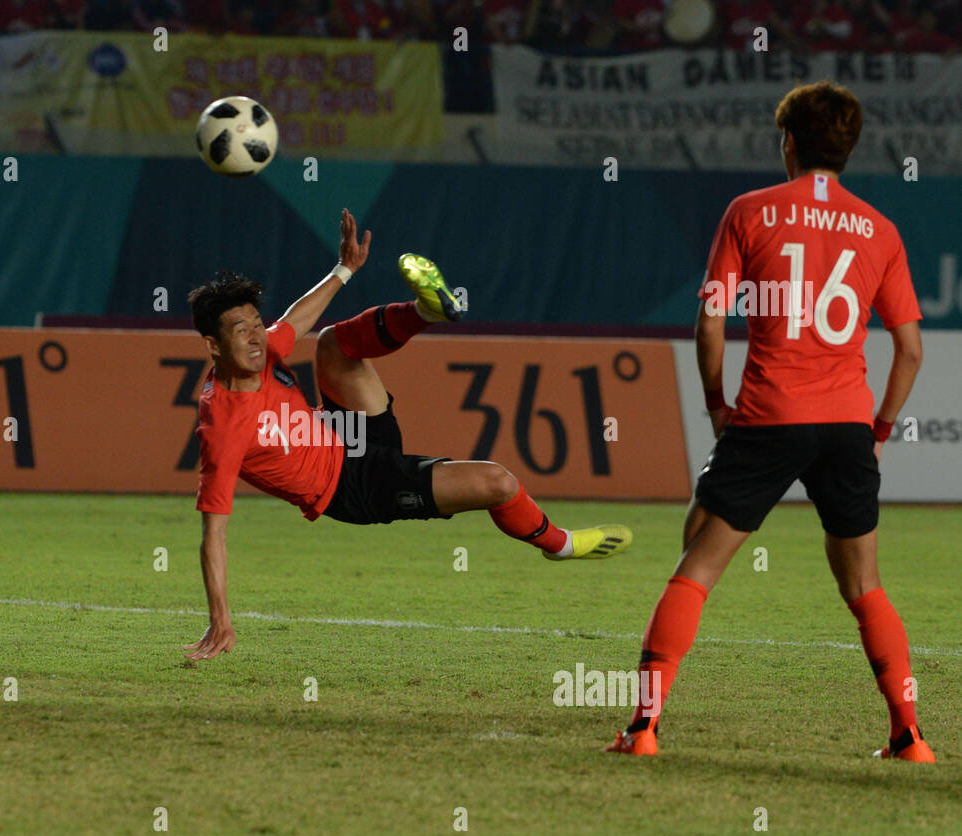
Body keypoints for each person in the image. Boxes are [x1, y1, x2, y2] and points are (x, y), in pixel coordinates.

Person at [605, 82, 932, 761]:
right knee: (864, 584)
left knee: (696, 562)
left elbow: (711, 320)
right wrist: (880, 423)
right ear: (848, 147)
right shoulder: (881, 229)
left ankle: (642, 729)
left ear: (788, 144)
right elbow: (910, 348)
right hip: (845, 423)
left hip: (768, 415)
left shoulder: (749, 212)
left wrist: (715, 401)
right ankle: (909, 736)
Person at [185, 208, 632, 661]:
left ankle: (425, 311)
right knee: (499, 483)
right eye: (242, 331)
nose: (258, 337)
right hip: (354, 487)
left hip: (348, 429)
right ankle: (561, 545)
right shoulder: (222, 426)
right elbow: (213, 535)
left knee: (330, 344)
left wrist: (344, 268)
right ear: (213, 345)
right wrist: (220, 618)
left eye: (257, 324)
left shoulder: (262, 352)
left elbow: (295, 320)